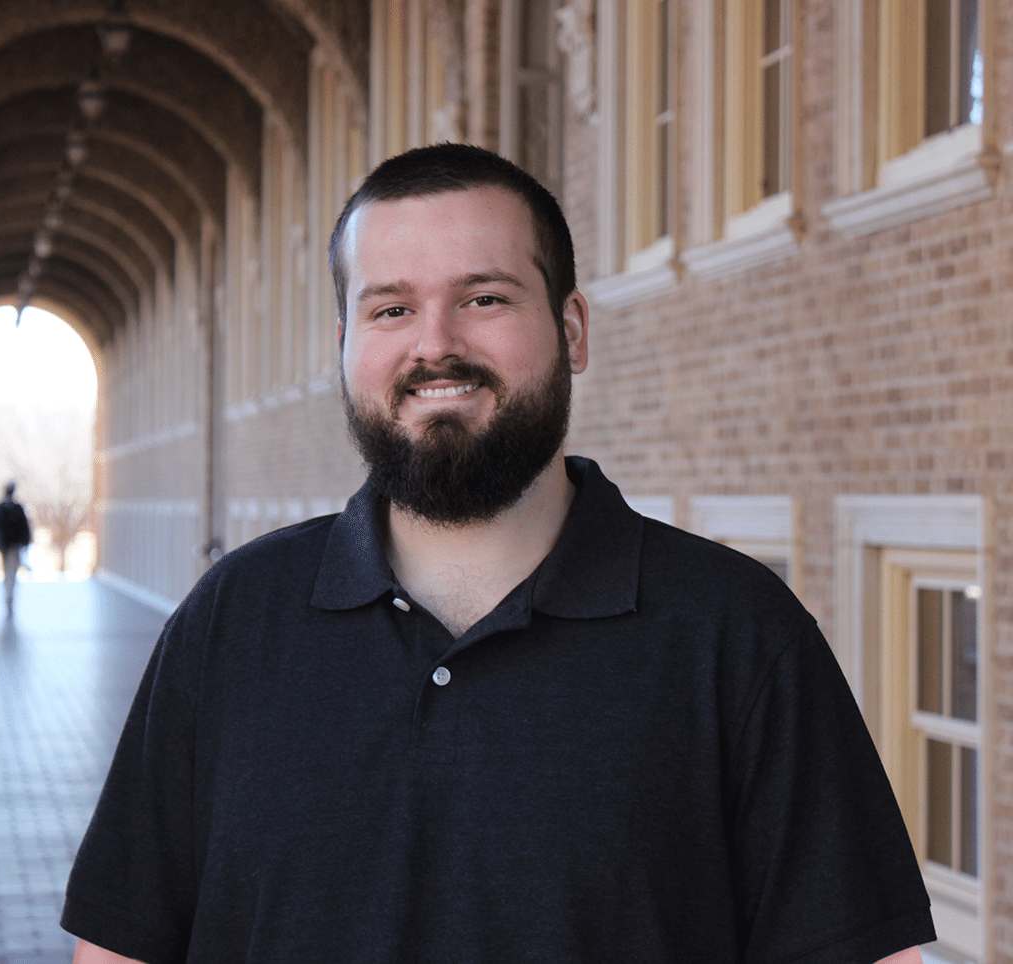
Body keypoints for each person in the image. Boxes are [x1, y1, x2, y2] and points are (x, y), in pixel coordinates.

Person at [62, 145, 935, 963]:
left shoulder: (737, 636)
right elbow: (120, 944)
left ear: (574, 331)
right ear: (346, 348)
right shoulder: (231, 623)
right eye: (392, 308)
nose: (434, 344)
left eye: (484, 297)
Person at [0, 480, 31, 615]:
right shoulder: (16, 508)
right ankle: (9, 592)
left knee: (8, 571)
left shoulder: (0, 508)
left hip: (7, 547)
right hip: (11, 546)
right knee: (11, 571)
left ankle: (8, 592)